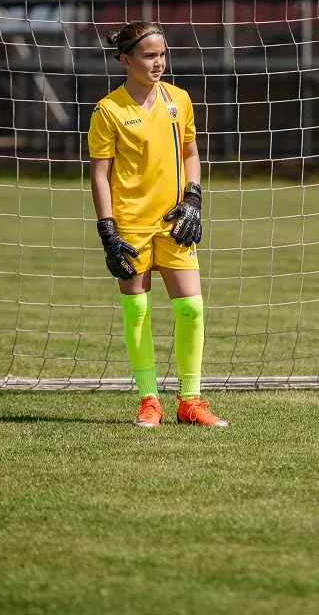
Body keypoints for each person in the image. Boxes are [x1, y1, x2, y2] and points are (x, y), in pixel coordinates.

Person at [88, 21, 228, 428]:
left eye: (162, 54)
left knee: (192, 309)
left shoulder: (179, 99)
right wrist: (107, 230)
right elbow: (100, 175)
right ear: (125, 60)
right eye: (149, 55)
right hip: (130, 225)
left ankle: (191, 402)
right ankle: (149, 401)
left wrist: (193, 199)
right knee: (138, 311)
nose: (158, 63)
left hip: (173, 221)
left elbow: (191, 154)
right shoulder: (108, 110)